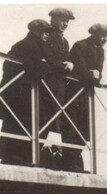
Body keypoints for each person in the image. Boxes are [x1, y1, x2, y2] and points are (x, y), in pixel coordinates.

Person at [0, 20, 54, 166]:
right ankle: (14, 156)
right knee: (18, 123)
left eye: (48, 32)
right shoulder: (28, 45)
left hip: (22, 92)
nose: (46, 35)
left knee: (20, 122)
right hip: (18, 92)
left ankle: (19, 156)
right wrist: (45, 65)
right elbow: (37, 70)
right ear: (35, 31)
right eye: (44, 31)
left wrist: (44, 65)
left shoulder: (35, 45)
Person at [60, 23, 107, 173]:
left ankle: (75, 161)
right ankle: (69, 162)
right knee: (71, 126)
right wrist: (94, 76)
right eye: (103, 35)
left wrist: (96, 77)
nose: (105, 39)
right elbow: (79, 69)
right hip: (73, 91)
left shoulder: (101, 51)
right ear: (94, 34)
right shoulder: (81, 45)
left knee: (84, 128)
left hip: (85, 93)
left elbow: (98, 72)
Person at [40, 8, 75, 139]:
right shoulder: (47, 34)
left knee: (55, 117)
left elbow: (68, 57)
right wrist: (63, 65)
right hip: (47, 81)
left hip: (59, 84)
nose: (65, 24)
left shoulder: (64, 41)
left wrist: (70, 64)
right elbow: (47, 56)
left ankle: (47, 150)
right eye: (63, 20)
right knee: (45, 114)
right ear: (53, 19)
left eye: (67, 21)